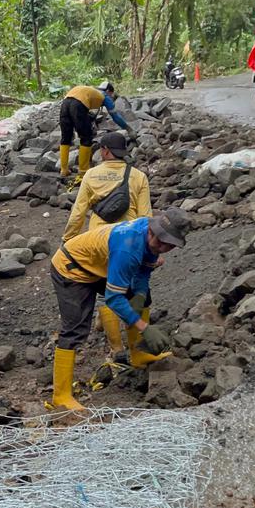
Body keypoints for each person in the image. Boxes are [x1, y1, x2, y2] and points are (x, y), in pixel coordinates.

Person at [48, 209, 190, 410]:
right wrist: (144, 328)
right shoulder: (128, 248)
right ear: (152, 228)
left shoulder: (150, 240)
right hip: (72, 267)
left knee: (140, 296)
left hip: (101, 265)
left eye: (168, 244)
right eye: (157, 238)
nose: (159, 244)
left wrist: (139, 295)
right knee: (76, 327)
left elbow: (143, 271)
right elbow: (114, 299)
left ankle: (138, 354)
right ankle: (61, 395)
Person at [62, 132, 153, 359]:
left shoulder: (91, 175)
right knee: (134, 291)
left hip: (99, 242)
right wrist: (150, 249)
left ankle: (116, 349)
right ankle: (138, 351)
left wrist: (67, 241)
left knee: (106, 292)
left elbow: (78, 214)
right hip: (132, 242)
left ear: (104, 151)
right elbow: (146, 216)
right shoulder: (138, 176)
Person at [59, 82, 131, 177]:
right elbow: (115, 116)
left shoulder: (92, 90)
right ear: (109, 91)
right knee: (86, 137)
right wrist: (128, 128)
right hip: (78, 104)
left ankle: (64, 170)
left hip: (65, 102)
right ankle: (83, 171)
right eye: (112, 95)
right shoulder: (104, 96)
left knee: (66, 138)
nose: (111, 97)